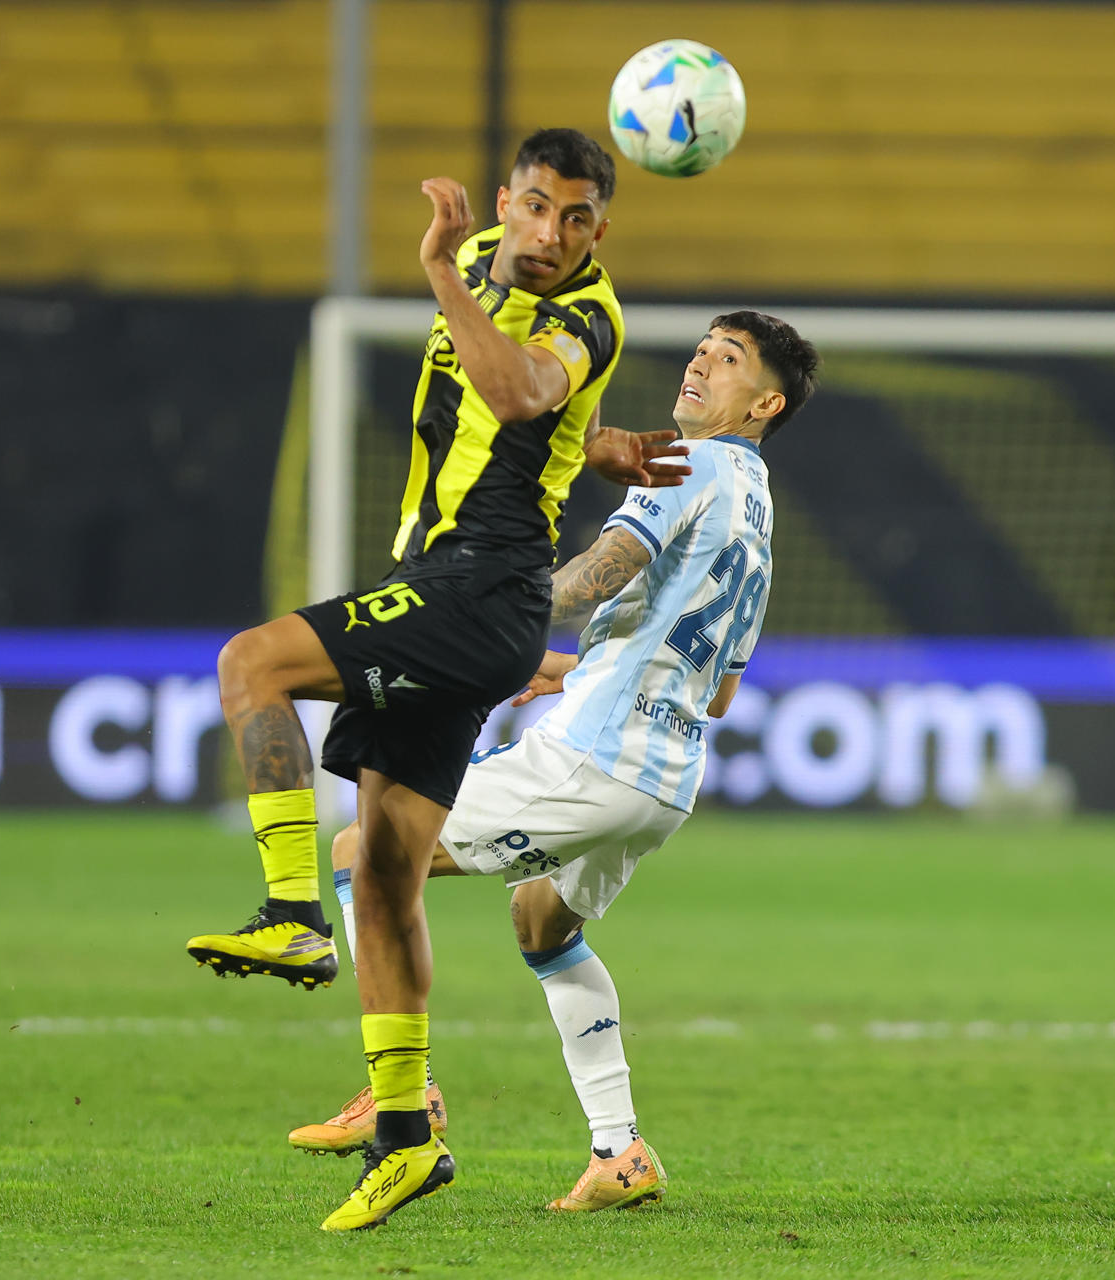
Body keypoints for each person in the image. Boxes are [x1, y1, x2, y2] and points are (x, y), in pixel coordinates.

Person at [186, 128, 691, 1232]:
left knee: (251, 662)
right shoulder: (479, 268)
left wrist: (436, 273)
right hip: (447, 585)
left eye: (575, 217)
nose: (551, 233)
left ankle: (285, 914)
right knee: (384, 870)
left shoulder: (584, 315)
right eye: (535, 207)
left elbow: (515, 392)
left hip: (480, 592)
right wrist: (594, 444)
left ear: (601, 229)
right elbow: (538, 413)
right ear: (508, 201)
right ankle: (409, 1137)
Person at [292, 312, 817, 1214]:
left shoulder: (686, 464)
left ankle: (402, 1094)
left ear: (764, 403)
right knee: (544, 928)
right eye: (701, 348)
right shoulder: (757, 509)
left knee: (362, 858)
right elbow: (717, 689)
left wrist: (483, 625)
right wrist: (573, 668)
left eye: (727, 359)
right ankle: (619, 1153)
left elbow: (599, 573)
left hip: (596, 755)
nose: (700, 361)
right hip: (664, 778)